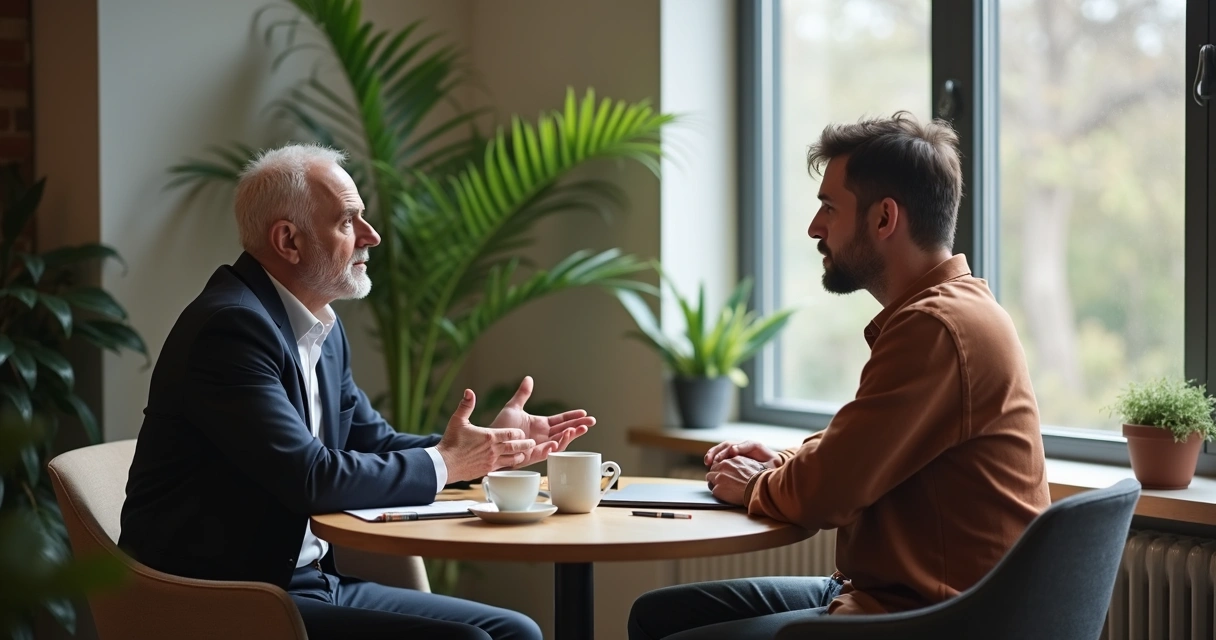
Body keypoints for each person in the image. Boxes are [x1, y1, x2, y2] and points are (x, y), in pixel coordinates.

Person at [120, 143, 593, 640]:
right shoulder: (231, 329)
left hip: (312, 583)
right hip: (226, 599)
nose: (372, 235)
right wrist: (452, 462)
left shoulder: (320, 328)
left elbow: (370, 441)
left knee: (516, 631)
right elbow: (312, 477)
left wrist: (488, 450)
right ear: (289, 240)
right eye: (348, 221)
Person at [628, 112, 1050, 639]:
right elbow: (857, 449)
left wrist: (758, 483)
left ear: (883, 218)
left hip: (930, 619)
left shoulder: (936, 328)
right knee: (657, 615)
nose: (814, 227)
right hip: (888, 593)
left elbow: (827, 494)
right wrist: (781, 460)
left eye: (829, 206)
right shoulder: (955, 310)